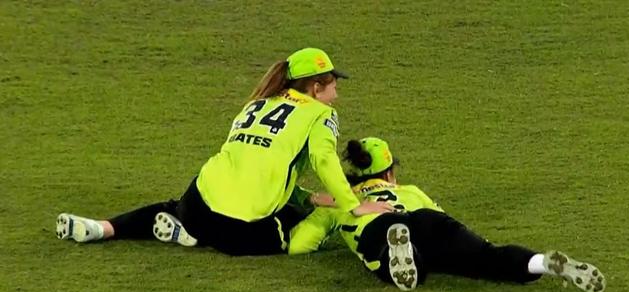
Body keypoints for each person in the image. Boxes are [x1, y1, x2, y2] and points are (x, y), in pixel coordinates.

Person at [56, 48, 394, 255]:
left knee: (172, 207)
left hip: (198, 201)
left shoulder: (259, 103)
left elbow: (258, 164)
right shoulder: (321, 114)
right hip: (240, 232)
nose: (337, 92)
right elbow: (322, 160)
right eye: (333, 83)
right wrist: (352, 205)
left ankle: (104, 227)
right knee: (299, 226)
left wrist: (311, 196)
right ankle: (195, 236)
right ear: (316, 88)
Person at [287, 137, 606, 292]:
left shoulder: (339, 201)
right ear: (390, 172)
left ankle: (400, 253)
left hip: (380, 228)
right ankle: (541, 263)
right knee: (488, 258)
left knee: (391, 261)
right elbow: (442, 218)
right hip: (427, 219)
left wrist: (314, 216)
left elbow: (300, 243)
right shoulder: (410, 190)